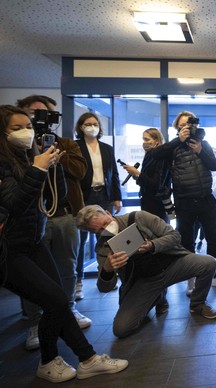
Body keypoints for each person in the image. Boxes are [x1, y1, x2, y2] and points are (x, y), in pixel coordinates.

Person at [0, 105, 128, 383]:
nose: (25, 132)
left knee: (57, 299)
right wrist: (37, 168)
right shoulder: (6, 162)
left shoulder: (27, 155)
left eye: (28, 127)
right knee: (56, 300)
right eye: (16, 128)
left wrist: (48, 164)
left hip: (32, 239)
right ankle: (54, 360)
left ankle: (86, 359)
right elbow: (15, 203)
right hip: (9, 248)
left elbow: (52, 192)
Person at [15, 95, 92, 351]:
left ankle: (69, 310)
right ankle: (36, 322)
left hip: (64, 214)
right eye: (35, 114)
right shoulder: (15, 148)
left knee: (67, 266)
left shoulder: (66, 143)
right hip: (33, 217)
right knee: (33, 274)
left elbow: (81, 172)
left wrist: (55, 149)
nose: (40, 119)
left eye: (47, 114)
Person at [75, 205, 216, 337]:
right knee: (121, 329)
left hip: (173, 265)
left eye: (105, 223)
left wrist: (152, 244)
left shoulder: (139, 218)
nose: (105, 229)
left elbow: (175, 236)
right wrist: (108, 269)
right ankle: (157, 297)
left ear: (108, 212)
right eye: (99, 230)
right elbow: (103, 288)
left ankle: (198, 304)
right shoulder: (103, 248)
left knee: (208, 263)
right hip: (145, 282)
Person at [150, 111, 216, 289]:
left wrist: (200, 151)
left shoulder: (203, 143)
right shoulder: (172, 147)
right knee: (187, 241)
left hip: (206, 198)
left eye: (189, 125)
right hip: (184, 201)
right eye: (182, 126)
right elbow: (155, 154)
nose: (186, 128)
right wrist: (178, 141)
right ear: (177, 128)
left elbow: (214, 165)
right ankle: (191, 278)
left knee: (213, 237)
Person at [75, 112, 122, 301]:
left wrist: (117, 198)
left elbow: (115, 175)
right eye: (87, 123)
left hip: (104, 196)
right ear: (80, 127)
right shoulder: (75, 147)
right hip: (84, 197)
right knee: (80, 241)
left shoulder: (107, 148)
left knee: (109, 238)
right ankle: (78, 281)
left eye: (95, 123)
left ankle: (108, 274)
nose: (92, 126)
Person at [122, 128, 172, 223]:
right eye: (143, 139)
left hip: (157, 204)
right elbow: (146, 179)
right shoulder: (149, 155)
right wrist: (136, 175)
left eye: (147, 139)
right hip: (147, 201)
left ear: (156, 141)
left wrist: (137, 173)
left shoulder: (161, 157)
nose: (144, 143)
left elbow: (156, 184)